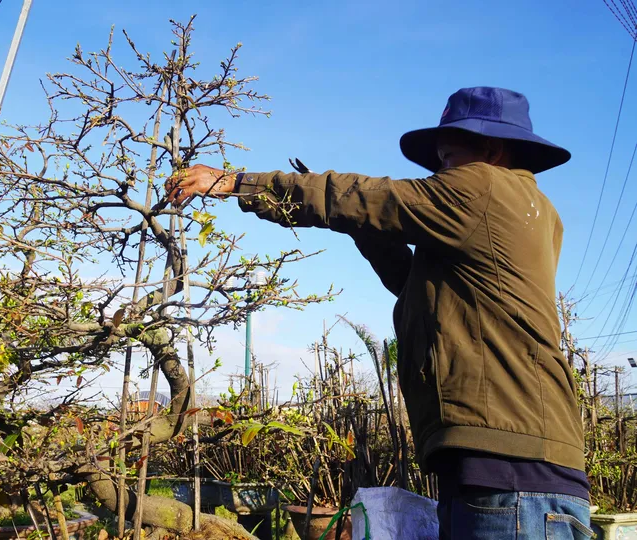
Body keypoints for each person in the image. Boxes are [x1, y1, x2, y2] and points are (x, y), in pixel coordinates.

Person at [167, 87, 593, 539]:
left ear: (491, 150)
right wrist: (360, 225)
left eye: (448, 158)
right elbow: (416, 288)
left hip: (510, 479)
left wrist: (238, 183)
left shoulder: (485, 187)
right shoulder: (528, 211)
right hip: (516, 474)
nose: (441, 173)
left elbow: (372, 197)